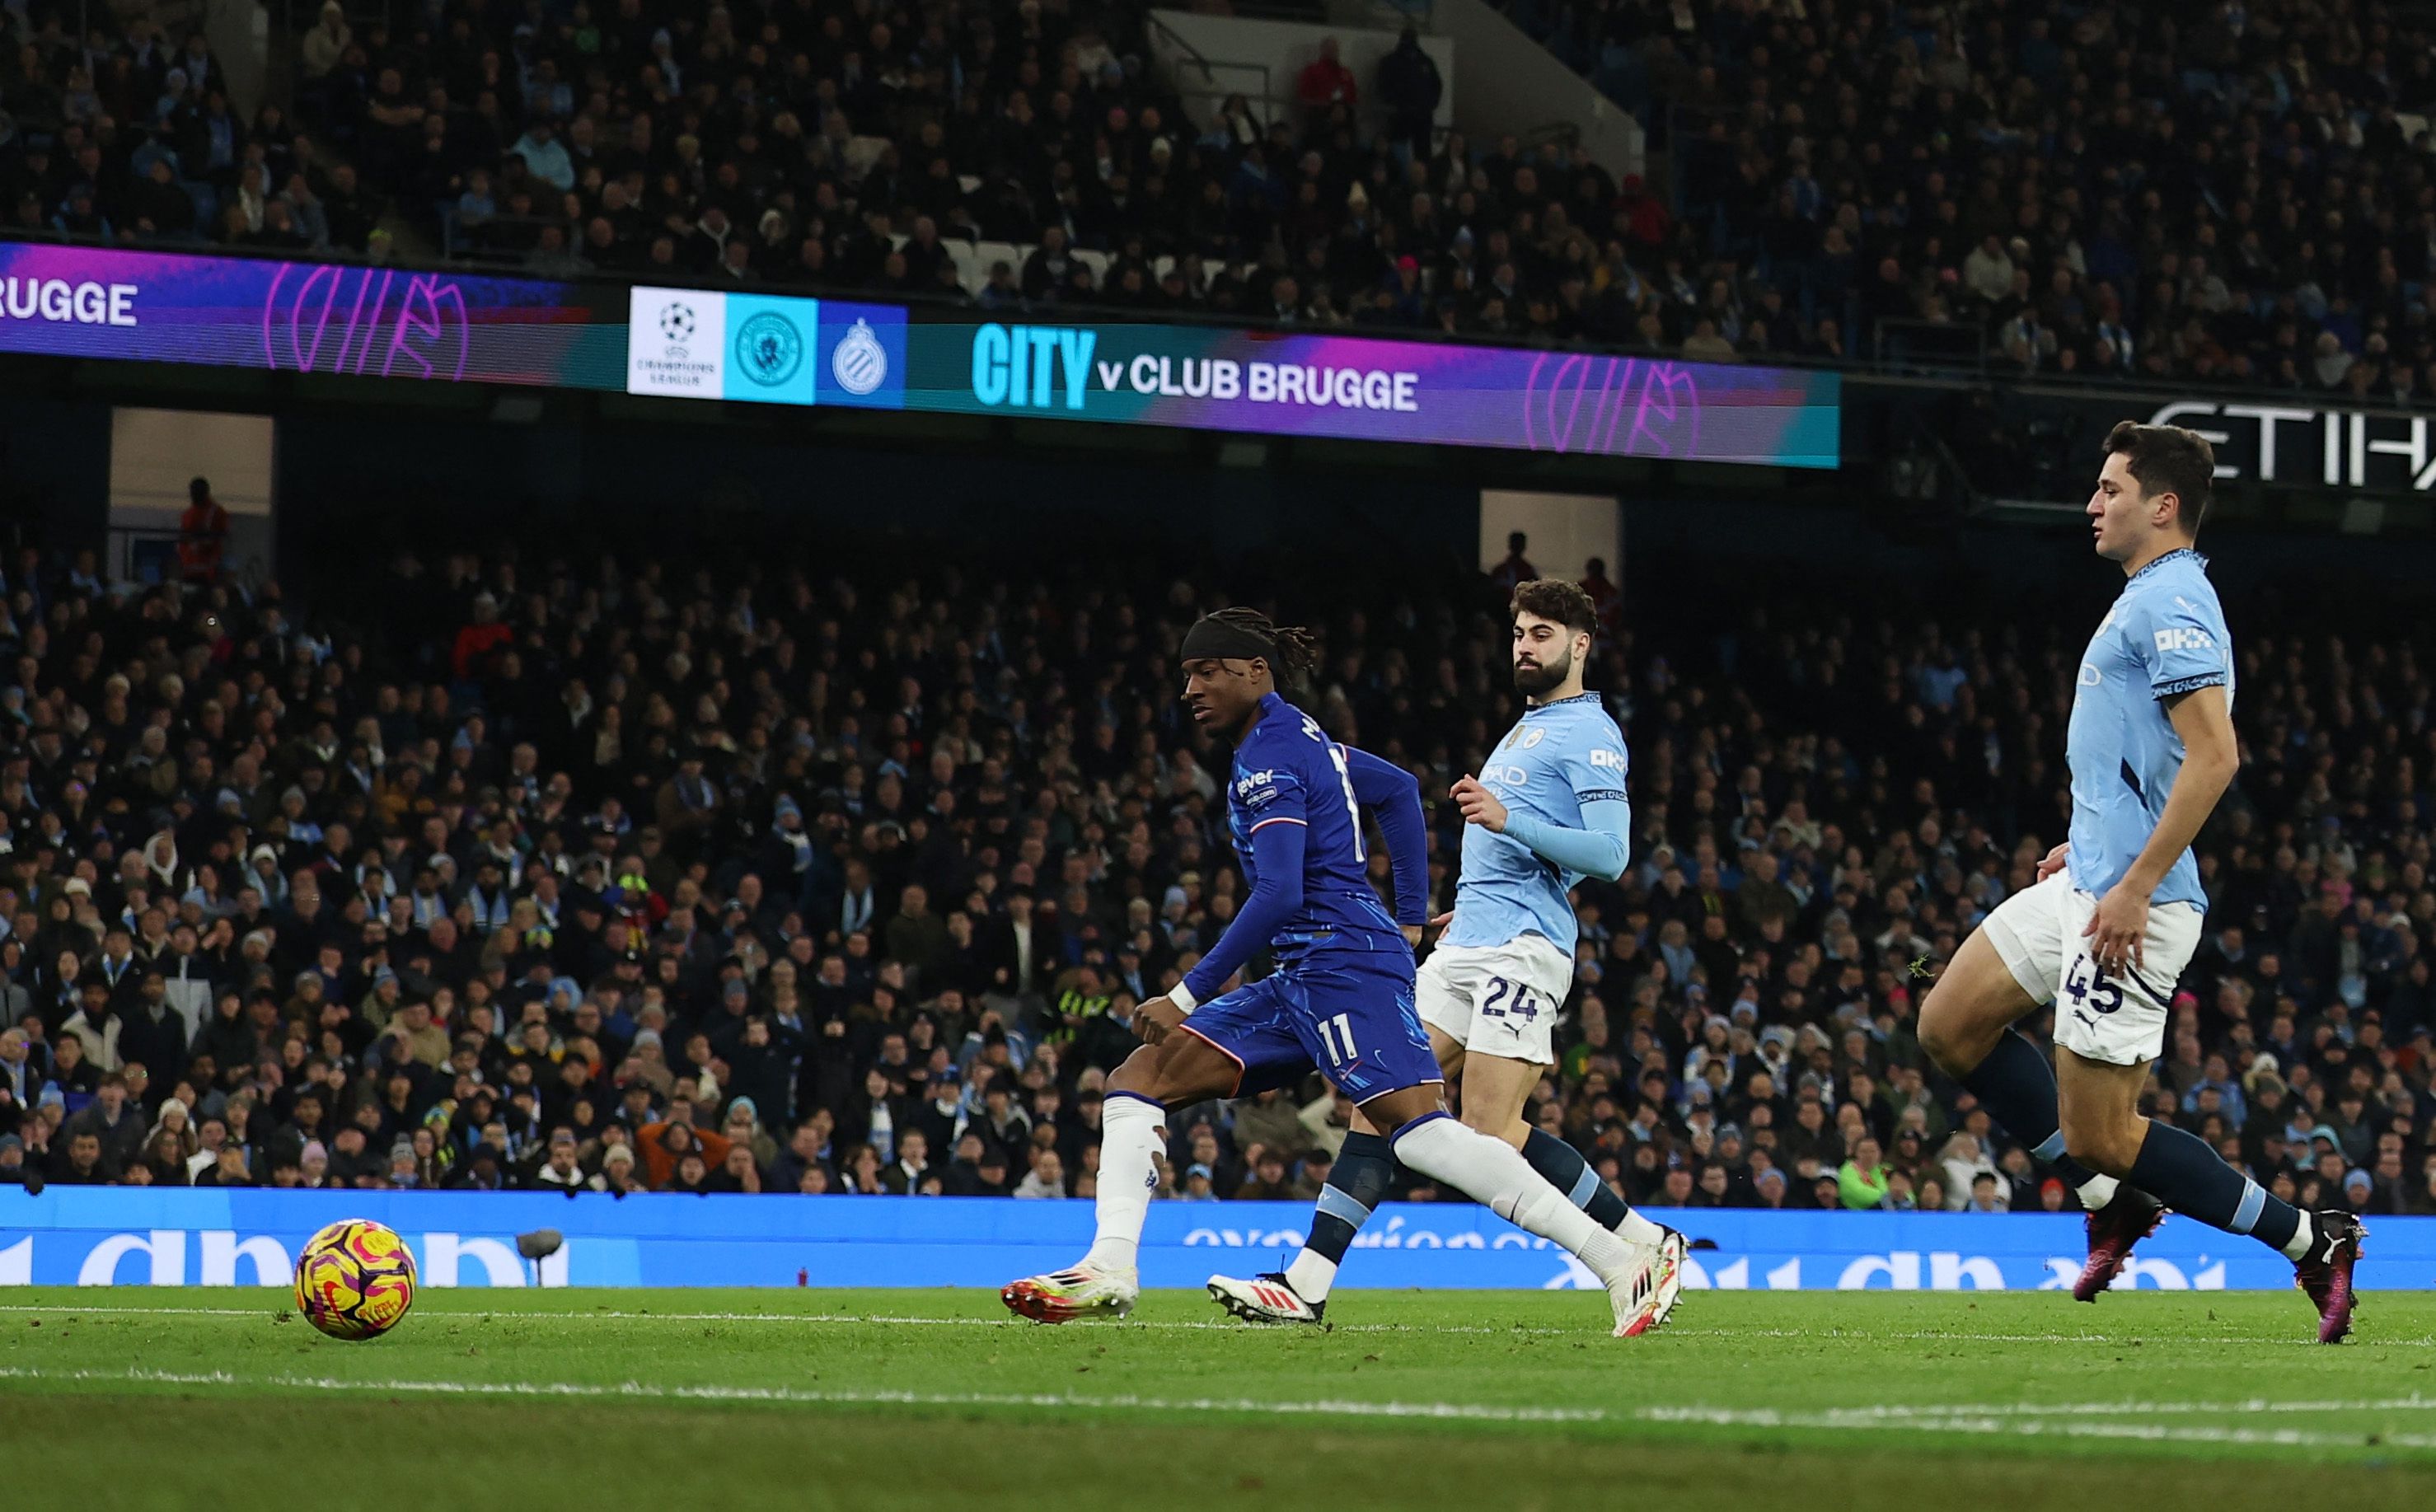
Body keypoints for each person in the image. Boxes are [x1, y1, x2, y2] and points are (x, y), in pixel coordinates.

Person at [1000, 609, 1661, 1334]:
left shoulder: (1273, 755)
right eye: (1188, 672)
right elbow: (1400, 789)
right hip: (1305, 971)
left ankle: (1617, 1256)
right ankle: (1111, 1268)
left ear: (1255, 673)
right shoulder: (1295, 739)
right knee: (1140, 1076)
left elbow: (1280, 890)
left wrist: (1188, 991)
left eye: (1208, 671)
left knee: (1426, 1133)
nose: (1191, 687)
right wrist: (1409, 917)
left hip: (1346, 964)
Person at [1917, 420, 2364, 1343]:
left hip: (2133, 903)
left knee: (2105, 1136)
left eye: (2109, 489)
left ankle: (2308, 1238)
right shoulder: (2147, 595)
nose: (2091, 504)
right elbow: (2142, 757)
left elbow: (2213, 756)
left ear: (2161, 507)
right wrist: (2083, 846)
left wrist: (2130, 883)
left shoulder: (2172, 603)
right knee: (1950, 1024)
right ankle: (2110, 1206)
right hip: (2090, 875)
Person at [1211, 578, 1681, 1330]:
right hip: (1468, 941)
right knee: (1381, 1102)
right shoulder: (1531, 725)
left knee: (1489, 1129)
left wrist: (1507, 818)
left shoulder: (1590, 735)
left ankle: (1640, 1244)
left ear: (1580, 645)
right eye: (1520, 633)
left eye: (1542, 635)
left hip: (1522, 951)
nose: (1525, 647)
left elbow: (1612, 854)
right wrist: (1467, 908)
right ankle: (1306, 1283)